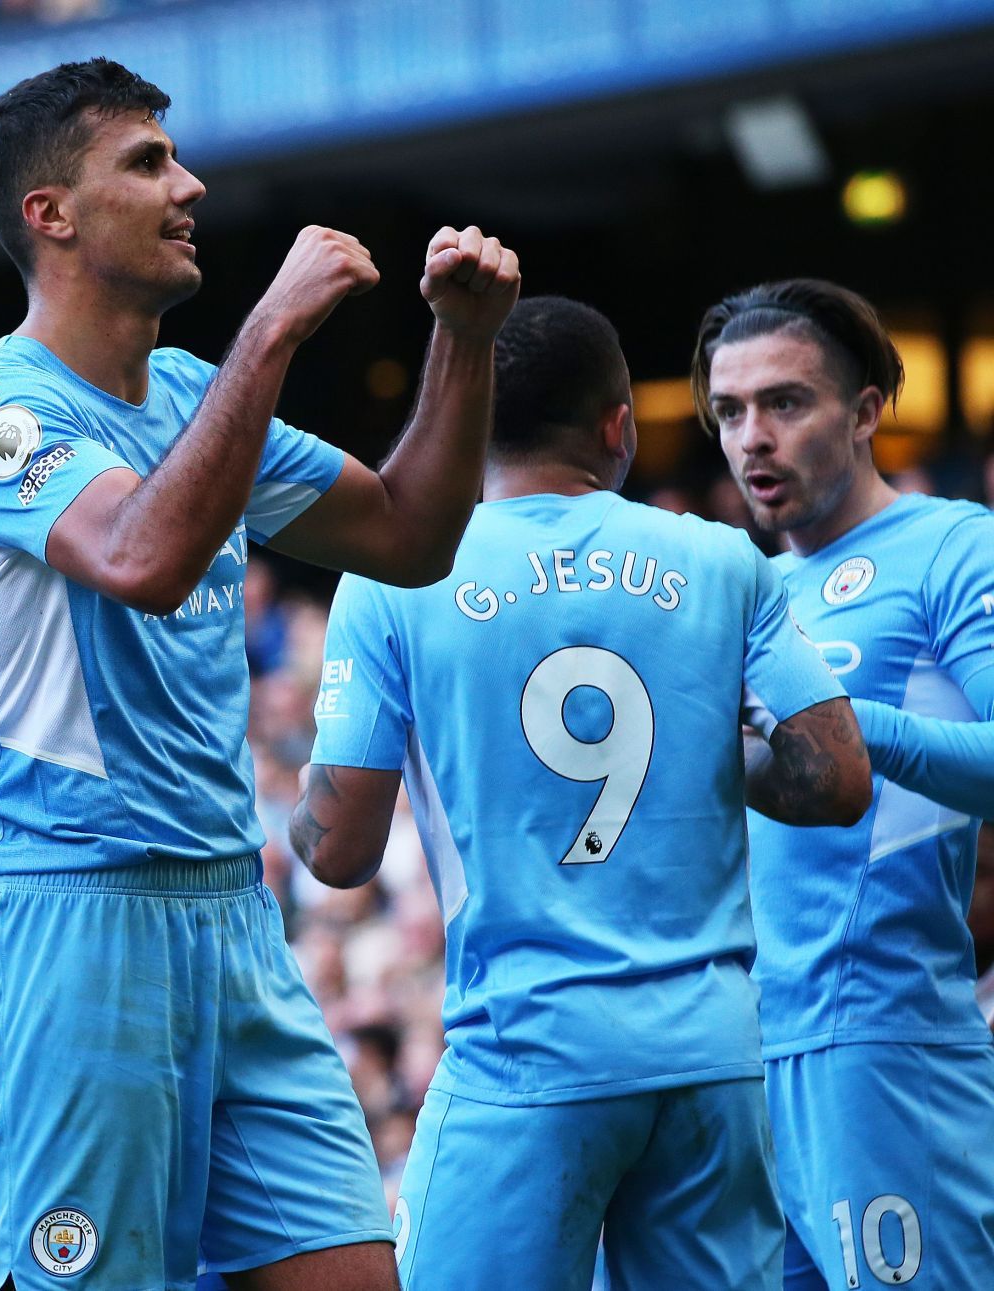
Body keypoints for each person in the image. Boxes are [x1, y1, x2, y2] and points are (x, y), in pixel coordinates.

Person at [0, 58, 519, 1290]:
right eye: (145, 163)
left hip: (233, 920)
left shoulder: (197, 395)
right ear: (54, 214)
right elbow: (139, 554)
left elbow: (413, 533)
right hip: (74, 922)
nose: (187, 184)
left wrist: (463, 343)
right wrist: (272, 328)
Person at [290, 295, 871, 1290]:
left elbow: (340, 851)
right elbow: (837, 775)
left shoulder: (392, 582)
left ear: (467, 426)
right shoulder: (720, 558)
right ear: (618, 425)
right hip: (712, 1057)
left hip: (527, 1055)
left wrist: (299, 807)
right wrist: (706, 756)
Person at [696, 278, 994, 1289]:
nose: (752, 438)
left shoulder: (953, 543)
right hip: (735, 1059)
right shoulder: (744, 589)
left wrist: (852, 731)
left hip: (883, 1045)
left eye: (785, 402)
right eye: (730, 412)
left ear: (866, 410)